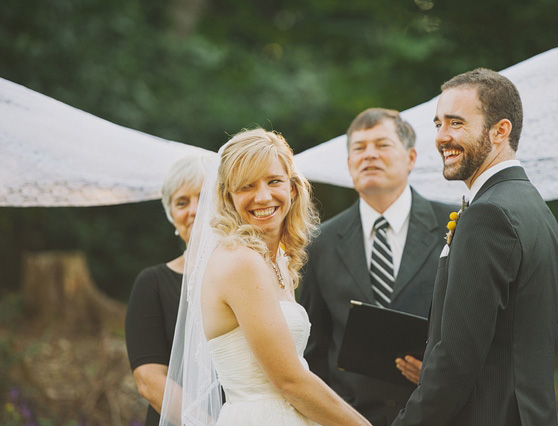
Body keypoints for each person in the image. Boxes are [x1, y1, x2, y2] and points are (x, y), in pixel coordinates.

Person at [160, 128, 370, 425]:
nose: (263, 196)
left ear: (293, 188)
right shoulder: (240, 262)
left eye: (274, 181)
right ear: (227, 197)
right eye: (246, 186)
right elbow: (290, 381)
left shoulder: (279, 260)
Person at [392, 68, 558, 425]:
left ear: (500, 131)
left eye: (456, 123)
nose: (442, 138)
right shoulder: (532, 205)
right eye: (438, 124)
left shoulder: (489, 214)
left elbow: (457, 359)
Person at [299, 108, 457, 425]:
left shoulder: (456, 225)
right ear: (348, 163)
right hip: (350, 416)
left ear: (411, 157)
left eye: (382, 145)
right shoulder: (319, 242)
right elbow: (314, 346)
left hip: (439, 413)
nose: (369, 155)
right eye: (359, 148)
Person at [125, 152, 216, 426]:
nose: (193, 210)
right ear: (171, 215)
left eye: (203, 197)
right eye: (181, 202)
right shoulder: (151, 283)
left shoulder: (251, 272)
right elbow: (149, 380)